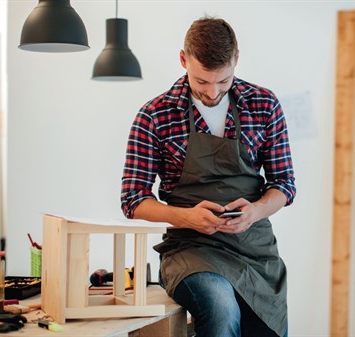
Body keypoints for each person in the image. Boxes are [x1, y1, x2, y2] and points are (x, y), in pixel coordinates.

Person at [120, 16, 296, 337]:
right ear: (184, 60)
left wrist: (254, 211)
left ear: (236, 61)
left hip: (254, 251)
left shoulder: (264, 105)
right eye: (201, 82)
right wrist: (187, 217)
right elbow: (134, 201)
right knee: (220, 306)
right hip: (191, 249)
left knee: (265, 328)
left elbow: (284, 185)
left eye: (223, 80)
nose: (213, 92)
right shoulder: (154, 116)